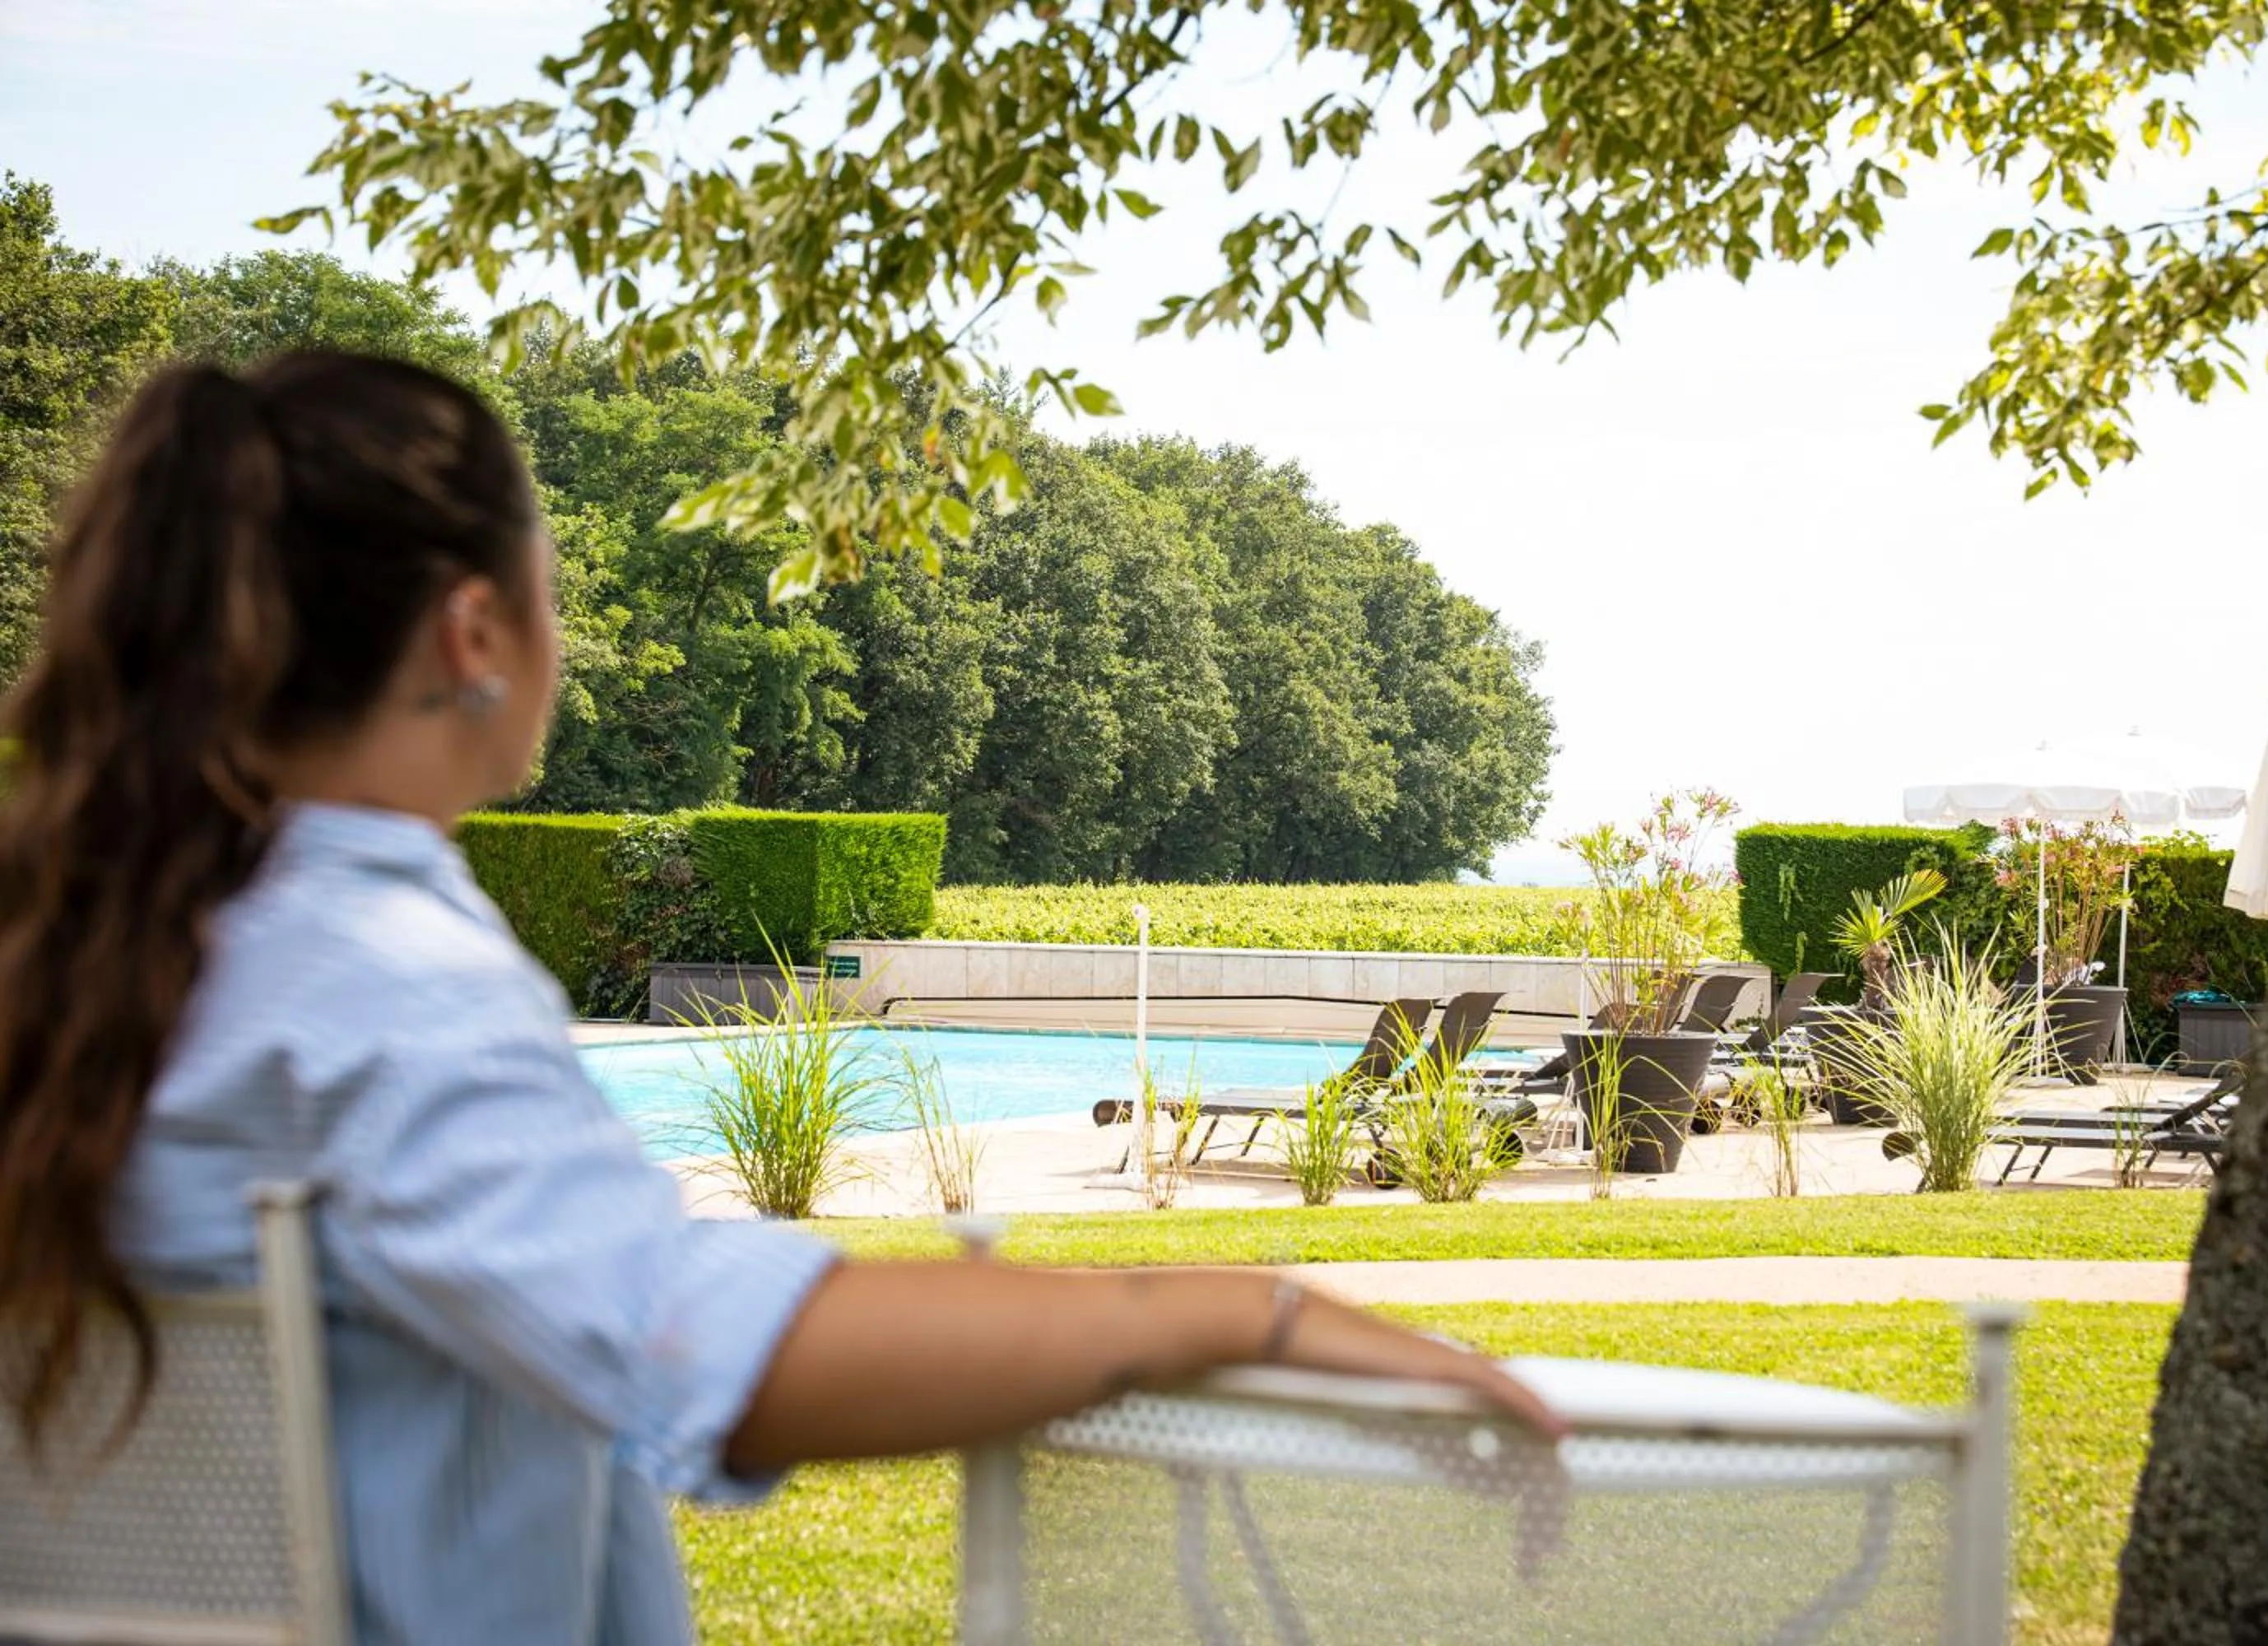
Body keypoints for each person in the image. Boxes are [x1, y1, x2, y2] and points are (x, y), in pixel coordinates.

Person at [0, 354, 1560, 1644]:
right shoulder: (376, 983)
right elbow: (708, 1348)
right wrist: (1251, 1308)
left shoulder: (88, 963)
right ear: (476, 632)